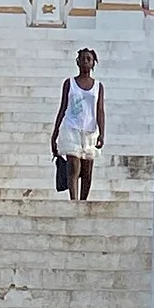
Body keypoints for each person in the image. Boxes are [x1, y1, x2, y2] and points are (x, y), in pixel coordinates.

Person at [50, 47, 104, 201]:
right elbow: (63, 107)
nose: (85, 61)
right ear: (77, 62)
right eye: (83, 59)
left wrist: (102, 133)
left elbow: (100, 110)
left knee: (87, 170)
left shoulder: (98, 86)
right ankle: (73, 201)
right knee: (73, 166)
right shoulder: (69, 83)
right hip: (71, 128)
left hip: (90, 131)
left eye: (89, 59)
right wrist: (55, 134)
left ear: (93, 63)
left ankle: (83, 201)